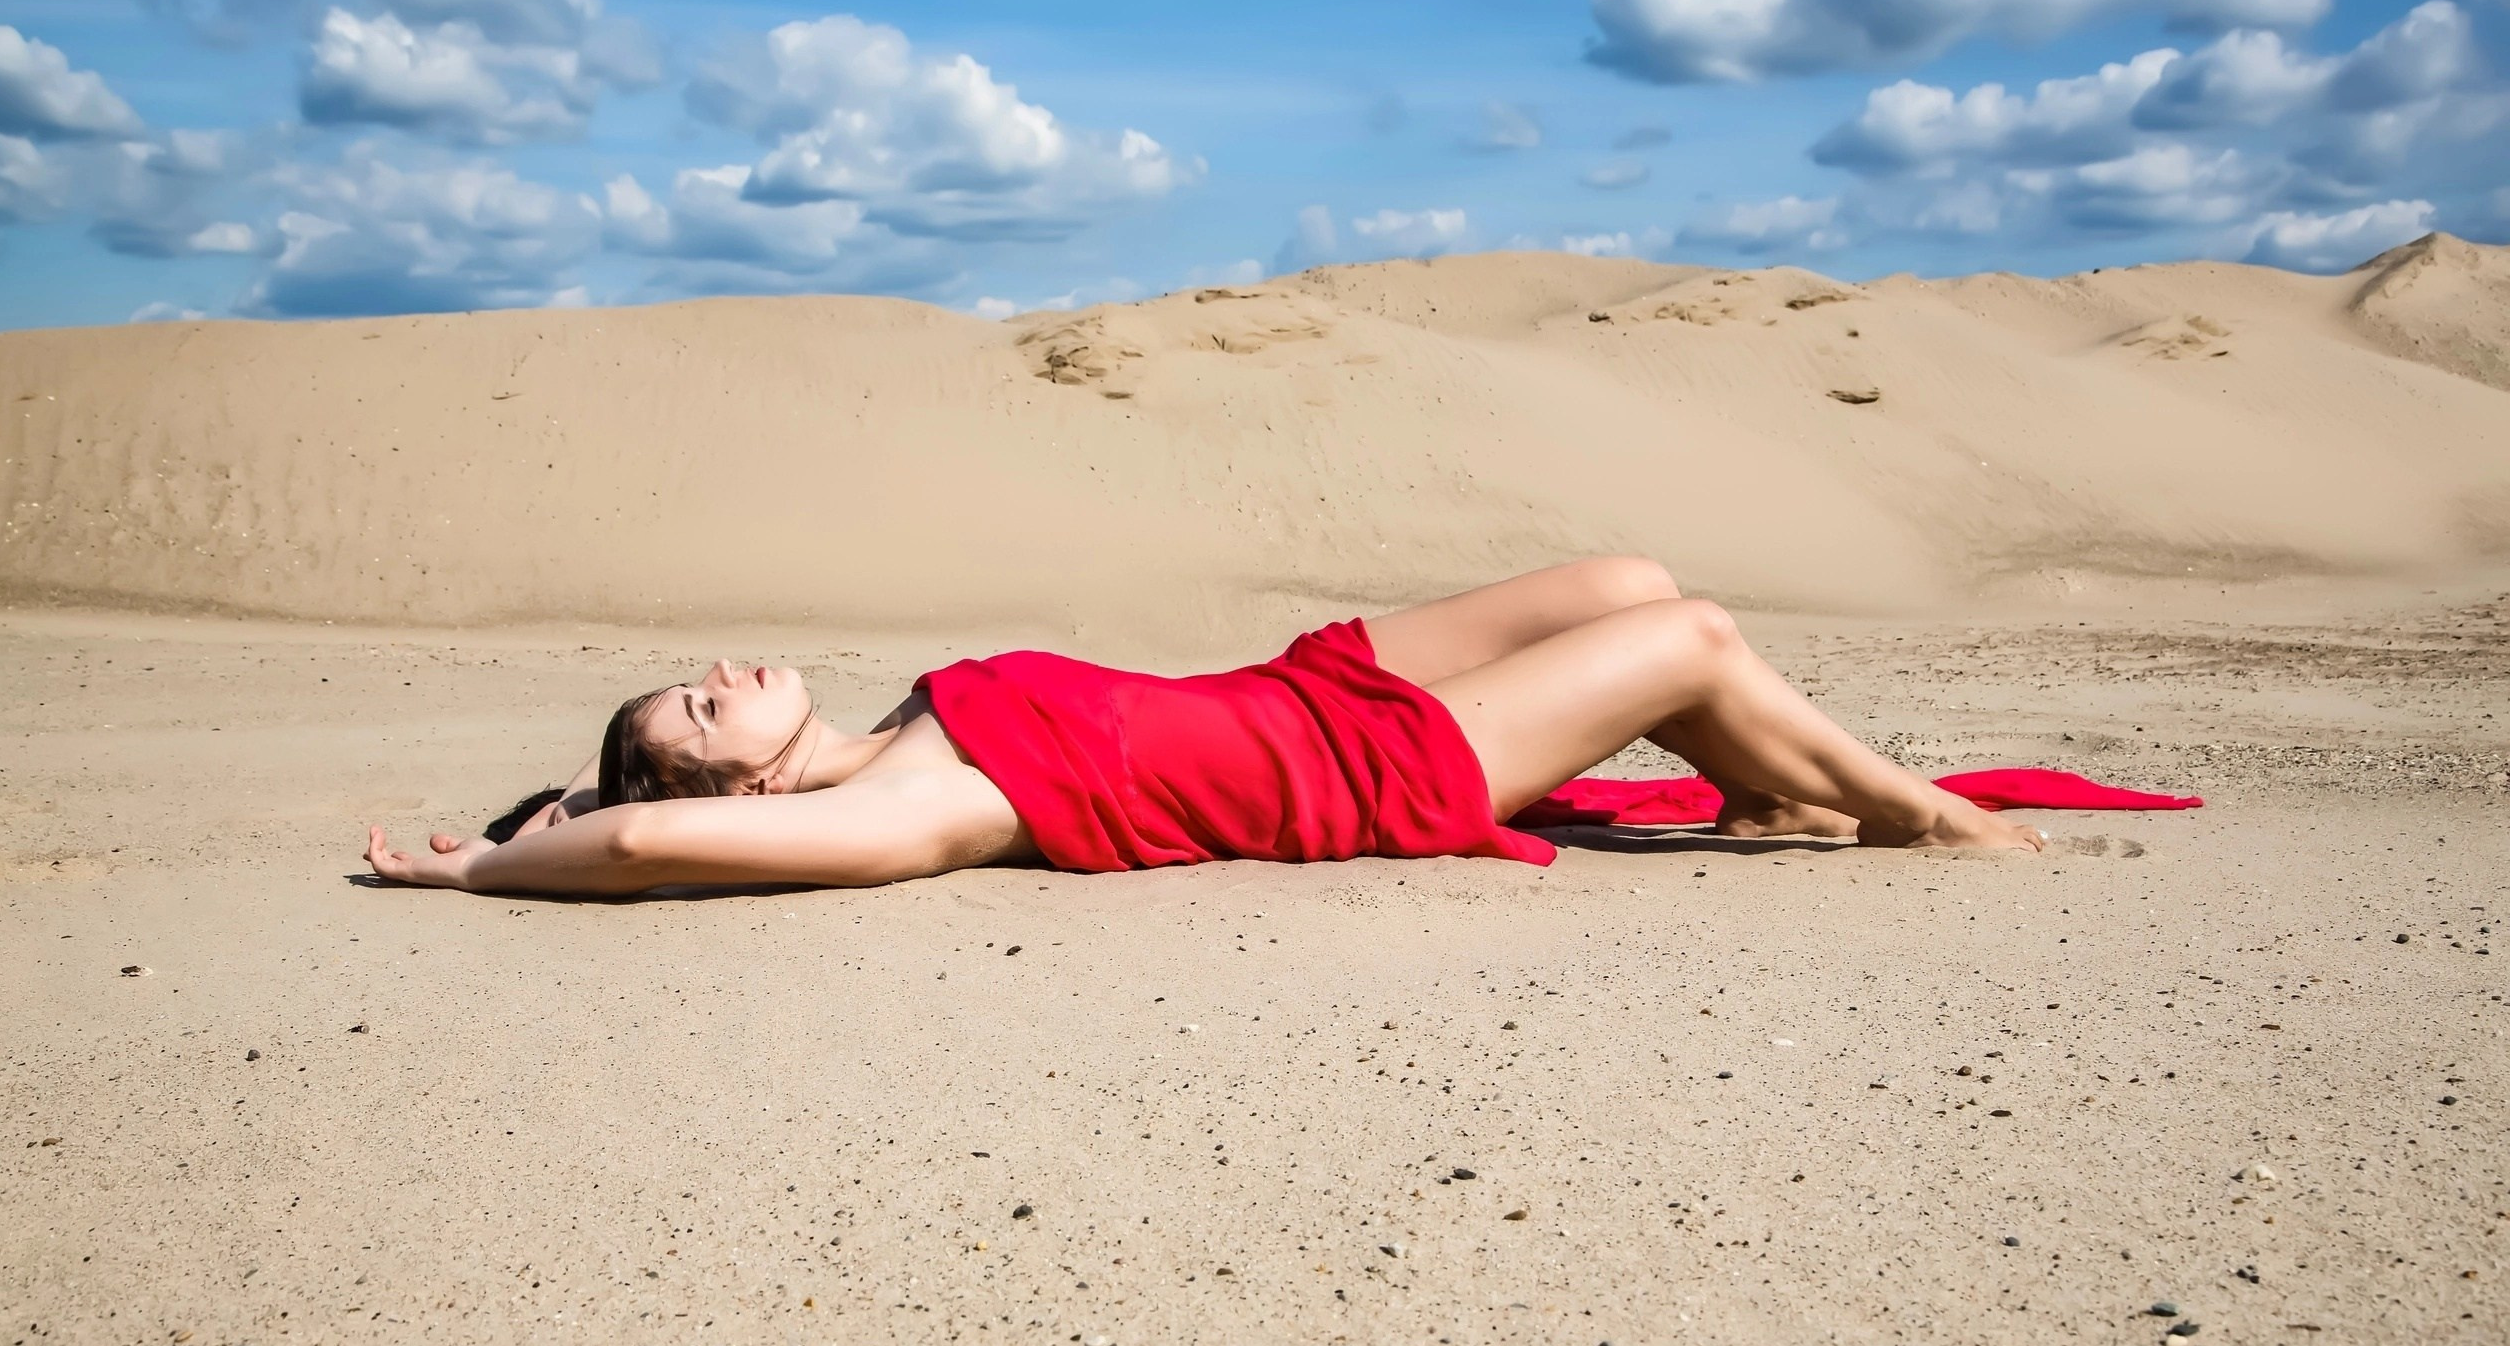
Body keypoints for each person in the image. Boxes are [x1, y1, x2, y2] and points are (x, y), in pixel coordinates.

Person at [363, 557, 2041, 897]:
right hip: (1371, 773)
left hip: (1308, 689)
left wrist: (543, 805)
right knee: (1693, 639)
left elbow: (651, 799)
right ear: (736, 784)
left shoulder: (891, 731)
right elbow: (650, 838)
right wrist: (487, 870)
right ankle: (1926, 818)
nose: (722, 674)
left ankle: (1770, 798)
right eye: (697, 705)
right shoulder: (915, 810)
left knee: (1630, 581)